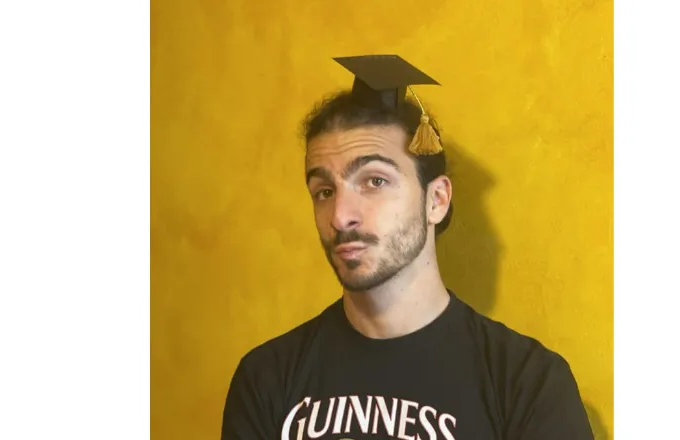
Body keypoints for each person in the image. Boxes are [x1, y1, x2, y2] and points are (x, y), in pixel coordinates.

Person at [221, 54, 594, 440]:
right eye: (324, 191)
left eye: (374, 181)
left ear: (436, 200)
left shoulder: (527, 385)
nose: (340, 215)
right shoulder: (267, 379)